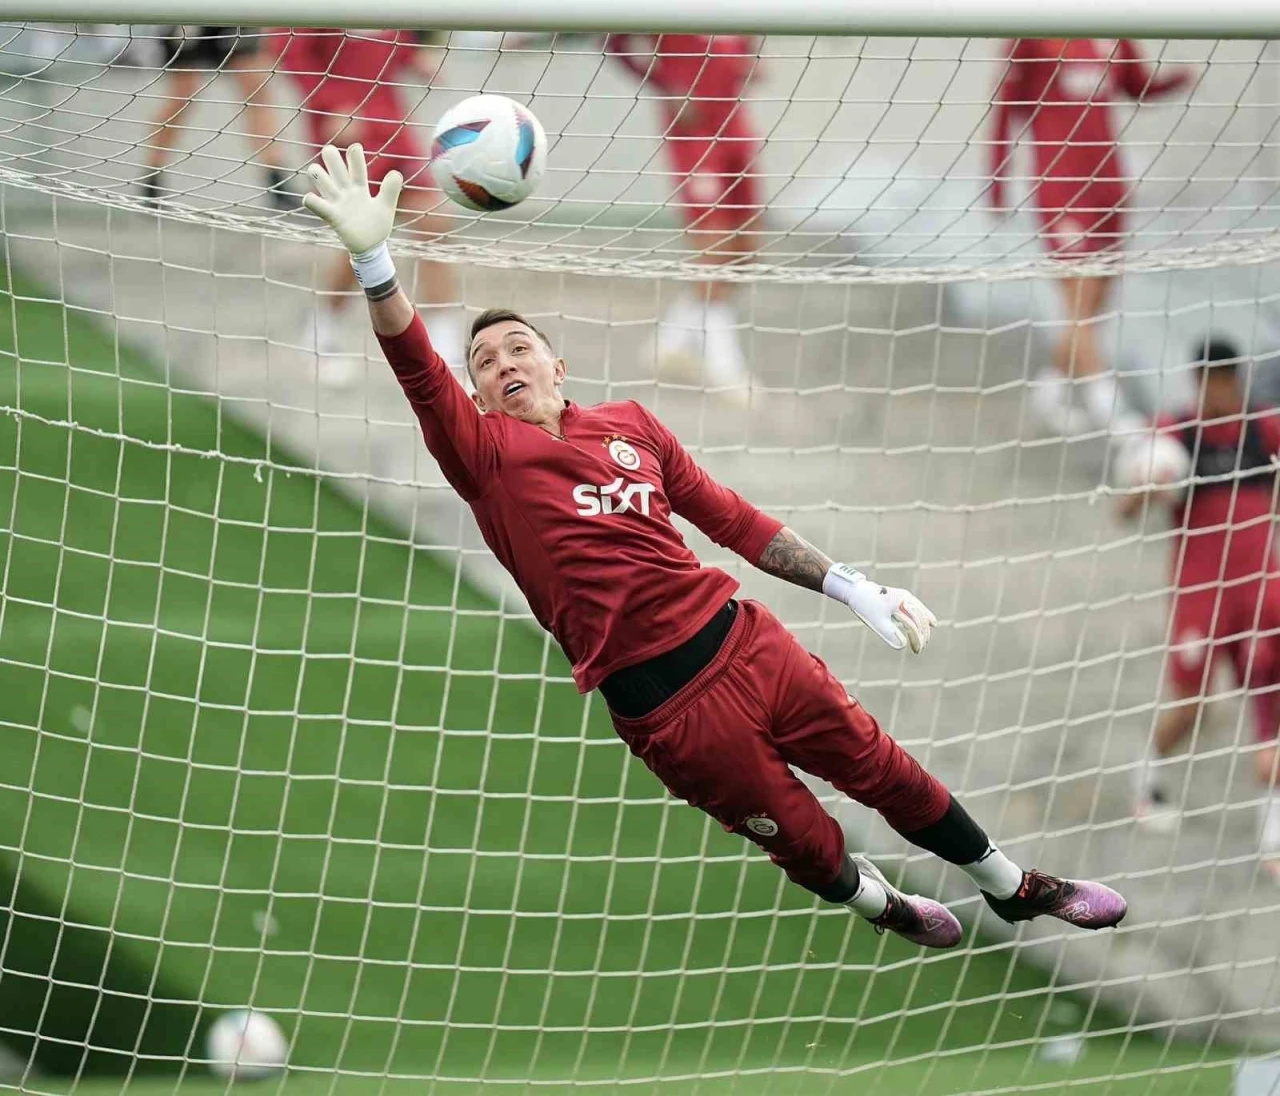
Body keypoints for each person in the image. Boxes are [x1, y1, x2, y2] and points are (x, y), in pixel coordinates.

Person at [300, 143, 1129, 946]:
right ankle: (881, 904)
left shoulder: (631, 425)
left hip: (745, 642)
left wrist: (853, 587)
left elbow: (728, 517)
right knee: (806, 841)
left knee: (882, 767)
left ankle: (1015, 887)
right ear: (477, 393)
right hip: (668, 710)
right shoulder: (483, 455)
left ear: (559, 366)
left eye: (519, 347)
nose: (503, 362)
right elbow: (416, 365)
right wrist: (375, 261)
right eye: (484, 361)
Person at [1123, 338, 1280, 877]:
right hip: (1201, 596)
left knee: (1271, 708)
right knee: (1194, 707)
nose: (1218, 393)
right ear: (1197, 383)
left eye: (1226, 383)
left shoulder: (1263, 429)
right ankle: (1148, 777)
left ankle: (1273, 836)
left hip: (1261, 592)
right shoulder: (1177, 435)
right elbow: (1125, 511)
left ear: (1236, 381)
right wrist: (1147, 486)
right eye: (1209, 383)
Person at [990, 39, 1191, 436]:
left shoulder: (1113, 33)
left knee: (1096, 299)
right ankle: (1109, 407)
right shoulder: (1031, 38)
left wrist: (1180, 79)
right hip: (1061, 186)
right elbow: (1006, 109)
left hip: (1109, 184)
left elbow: (1138, 86)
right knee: (1078, 291)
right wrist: (997, 180)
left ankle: (1050, 389)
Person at [273, 27, 463, 384]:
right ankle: (321, 331)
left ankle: (447, 348)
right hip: (346, 131)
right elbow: (290, 51)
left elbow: (391, 39)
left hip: (391, 121)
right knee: (360, 240)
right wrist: (331, 103)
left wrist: (414, 58)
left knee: (433, 221)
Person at [606, 34, 762, 405]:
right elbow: (614, 39)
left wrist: (750, 60)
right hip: (694, 132)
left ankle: (671, 340)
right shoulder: (667, 17)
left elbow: (750, 36)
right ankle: (724, 366)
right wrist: (665, 84)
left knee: (745, 252)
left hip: (735, 124)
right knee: (713, 245)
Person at [139, 26, 293, 211]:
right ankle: (152, 176)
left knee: (256, 88)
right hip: (191, 21)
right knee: (182, 94)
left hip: (234, 18)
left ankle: (277, 181)